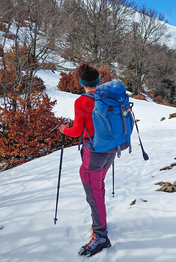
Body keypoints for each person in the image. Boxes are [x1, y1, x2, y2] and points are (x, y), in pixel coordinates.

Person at [58, 62, 114, 257]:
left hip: (95, 151)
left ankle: (100, 236)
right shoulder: (108, 95)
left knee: (93, 191)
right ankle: (101, 221)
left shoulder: (82, 101)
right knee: (97, 186)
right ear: (98, 80)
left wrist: (64, 129)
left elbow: (76, 131)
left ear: (81, 83)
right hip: (112, 149)